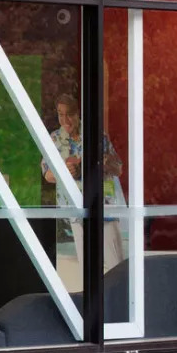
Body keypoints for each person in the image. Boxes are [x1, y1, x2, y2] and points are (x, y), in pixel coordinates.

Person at [42, 94, 125, 276]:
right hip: (76, 211)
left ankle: (118, 293)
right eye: (61, 114)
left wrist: (104, 162)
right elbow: (47, 175)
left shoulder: (96, 135)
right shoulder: (55, 139)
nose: (65, 120)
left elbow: (118, 169)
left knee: (117, 266)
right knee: (87, 270)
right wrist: (64, 171)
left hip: (103, 207)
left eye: (70, 114)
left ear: (78, 113)